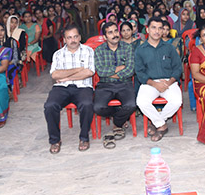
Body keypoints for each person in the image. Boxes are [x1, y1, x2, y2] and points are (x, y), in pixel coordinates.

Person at [44, 24, 95, 154]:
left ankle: (84, 137)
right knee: (50, 106)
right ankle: (55, 140)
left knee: (87, 104)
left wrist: (66, 76)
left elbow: (89, 73)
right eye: (69, 37)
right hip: (61, 88)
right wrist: (78, 69)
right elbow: (55, 75)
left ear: (80, 37)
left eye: (75, 37)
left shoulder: (88, 51)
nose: (73, 40)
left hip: (83, 87)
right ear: (64, 39)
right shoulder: (58, 54)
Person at [135, 17, 183, 142]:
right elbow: (139, 72)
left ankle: (156, 122)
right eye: (153, 27)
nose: (157, 31)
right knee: (141, 101)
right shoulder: (140, 50)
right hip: (149, 82)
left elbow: (178, 68)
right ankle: (161, 125)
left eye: (160, 28)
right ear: (147, 29)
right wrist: (155, 84)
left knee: (177, 101)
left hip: (169, 81)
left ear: (163, 31)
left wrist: (169, 82)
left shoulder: (169, 48)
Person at [93, 22, 136, 149]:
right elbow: (101, 72)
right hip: (105, 85)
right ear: (105, 37)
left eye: (115, 31)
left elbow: (130, 70)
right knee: (98, 107)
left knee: (131, 105)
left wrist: (111, 72)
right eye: (110, 32)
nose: (114, 35)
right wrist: (119, 69)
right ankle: (119, 115)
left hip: (124, 83)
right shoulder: (99, 50)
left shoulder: (127, 48)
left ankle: (117, 123)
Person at [0, 23, 20, 89]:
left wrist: (6, 64)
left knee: (8, 71)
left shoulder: (11, 41)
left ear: (5, 31)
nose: (0, 33)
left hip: (11, 63)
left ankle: (8, 89)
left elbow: (15, 58)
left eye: (2, 30)